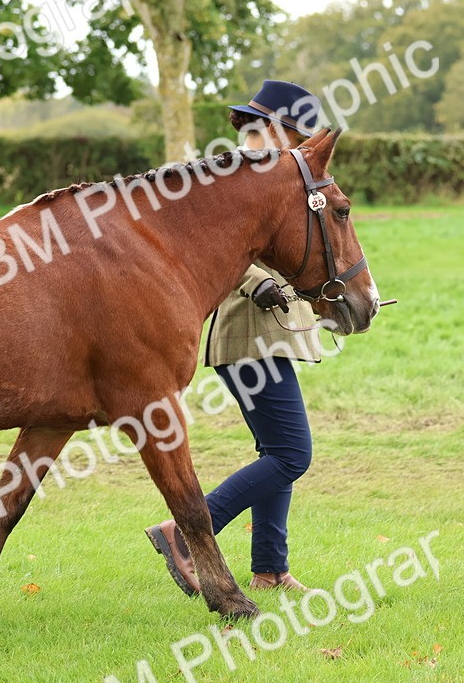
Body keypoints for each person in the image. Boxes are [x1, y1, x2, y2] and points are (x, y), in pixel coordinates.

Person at [145, 80, 328, 596]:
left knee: (278, 453)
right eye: (296, 136)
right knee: (293, 454)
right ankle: (183, 533)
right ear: (274, 129)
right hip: (247, 336)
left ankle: (270, 568)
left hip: (270, 336)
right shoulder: (229, 177)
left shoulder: (269, 176)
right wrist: (259, 280)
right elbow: (209, 247)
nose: (299, 148)